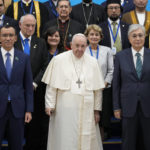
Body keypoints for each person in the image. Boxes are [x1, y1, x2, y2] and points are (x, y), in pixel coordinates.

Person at [42, 33, 105, 150]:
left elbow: (97, 90)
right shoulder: (58, 60)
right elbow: (51, 86)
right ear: (71, 45)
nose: (80, 49)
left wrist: (97, 110)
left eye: (83, 46)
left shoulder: (93, 62)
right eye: (77, 46)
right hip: (64, 109)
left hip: (87, 108)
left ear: (86, 46)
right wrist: (49, 105)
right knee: (65, 138)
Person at [113, 24, 150, 150]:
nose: (137, 38)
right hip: (127, 106)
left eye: (140, 35)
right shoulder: (120, 56)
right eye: (134, 36)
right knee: (128, 142)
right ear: (129, 38)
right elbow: (116, 84)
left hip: (148, 106)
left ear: (144, 37)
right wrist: (116, 107)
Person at [14, 14, 49, 150]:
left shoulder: (40, 42)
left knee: (34, 129)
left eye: (33, 25)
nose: (30, 28)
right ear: (20, 25)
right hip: (16, 91)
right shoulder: (13, 41)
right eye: (27, 25)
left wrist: (34, 83)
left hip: (36, 91)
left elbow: (45, 65)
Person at [0, 25, 33, 150]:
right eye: (4, 35)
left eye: (10, 35)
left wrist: (29, 109)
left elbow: (28, 86)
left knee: (17, 145)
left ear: (15, 38)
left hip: (18, 109)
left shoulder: (24, 58)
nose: (8, 38)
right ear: (0, 37)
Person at [84, 24, 114, 140]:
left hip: (103, 87)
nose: (94, 37)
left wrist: (104, 84)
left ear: (101, 37)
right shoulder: (84, 50)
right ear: (87, 36)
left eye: (97, 35)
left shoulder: (107, 51)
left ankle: (103, 130)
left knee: (104, 110)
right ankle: (90, 132)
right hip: (88, 88)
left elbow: (111, 70)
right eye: (91, 34)